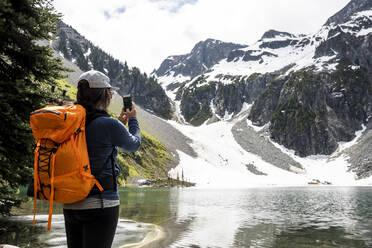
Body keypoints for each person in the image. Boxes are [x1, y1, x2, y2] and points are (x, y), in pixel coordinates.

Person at [62, 70, 141, 248]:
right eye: (110, 93)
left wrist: (119, 125)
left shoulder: (70, 120)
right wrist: (133, 120)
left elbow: (91, 141)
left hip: (70, 202)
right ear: (105, 94)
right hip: (101, 202)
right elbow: (134, 145)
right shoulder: (107, 123)